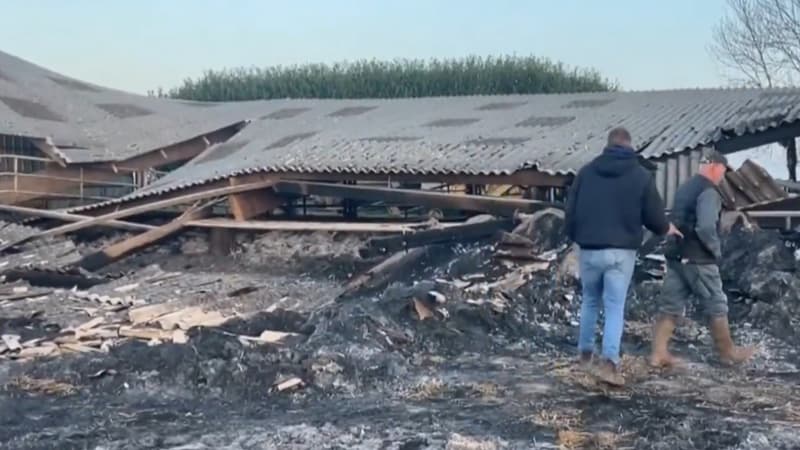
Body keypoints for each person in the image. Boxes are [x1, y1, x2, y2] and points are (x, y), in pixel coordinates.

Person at [565, 127, 681, 387]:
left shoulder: (586, 172)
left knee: (590, 302)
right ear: (630, 146)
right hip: (620, 252)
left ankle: (584, 356)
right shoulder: (640, 175)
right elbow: (654, 214)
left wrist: (575, 237)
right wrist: (665, 228)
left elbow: (570, 211)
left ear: (607, 146)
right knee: (615, 306)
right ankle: (609, 363)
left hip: (590, 250)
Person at [650, 150, 756, 367]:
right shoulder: (709, 192)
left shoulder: (684, 188)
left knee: (670, 306)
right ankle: (728, 353)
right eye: (723, 172)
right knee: (717, 304)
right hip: (698, 259)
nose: (722, 177)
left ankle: (658, 354)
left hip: (676, 256)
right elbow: (706, 226)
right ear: (715, 167)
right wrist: (715, 250)